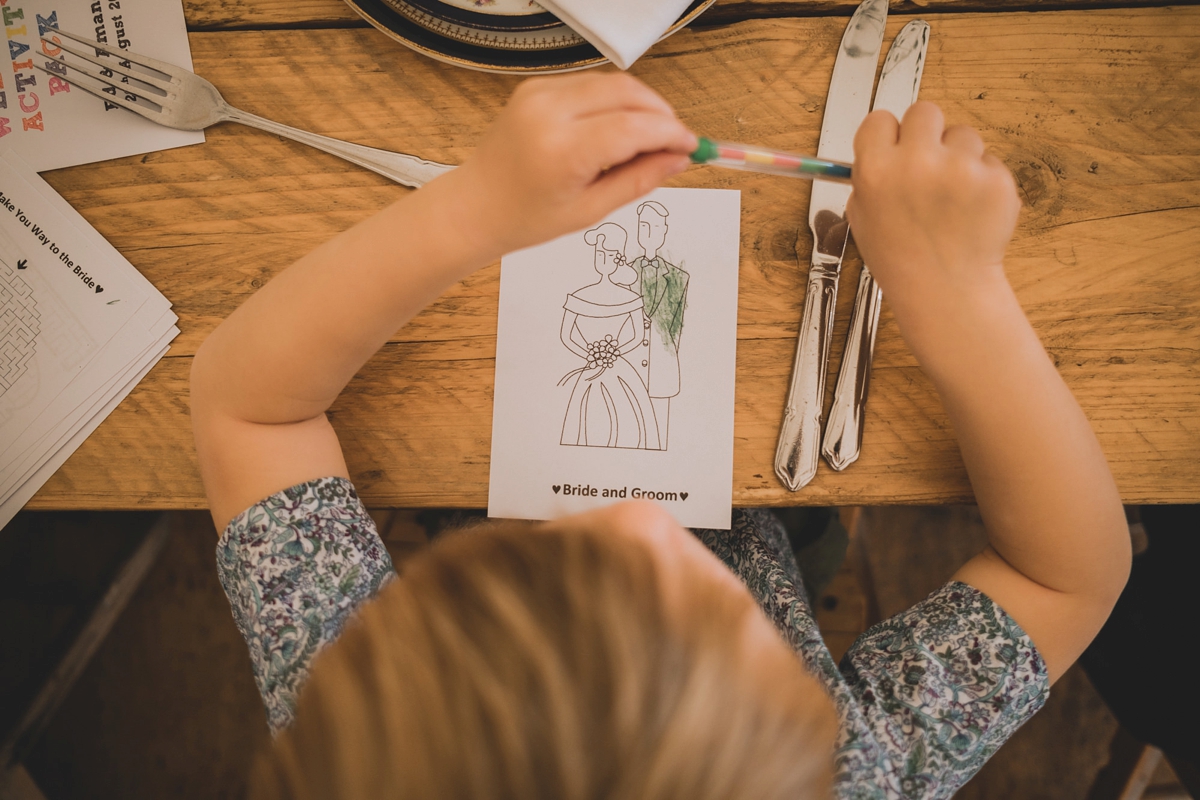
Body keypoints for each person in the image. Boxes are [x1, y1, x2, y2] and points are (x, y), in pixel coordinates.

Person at [190, 73, 1130, 799]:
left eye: (560, 582)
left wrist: (473, 208)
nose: (641, 519)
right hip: (776, 521)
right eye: (717, 616)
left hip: (465, 469)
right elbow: (1069, 575)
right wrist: (959, 295)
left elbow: (246, 408)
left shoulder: (385, 738)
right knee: (813, 539)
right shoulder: (847, 780)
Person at [558, 222, 659, 449]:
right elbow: (566, 335)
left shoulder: (630, 298)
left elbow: (636, 335)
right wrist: (591, 355)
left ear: (619, 258)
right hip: (591, 368)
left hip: (620, 370)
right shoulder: (578, 296)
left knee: (629, 418)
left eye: (609, 254)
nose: (603, 258)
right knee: (585, 418)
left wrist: (613, 353)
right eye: (599, 253)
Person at [623, 200, 688, 450]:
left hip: (662, 366)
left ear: (663, 231)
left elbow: (676, 326)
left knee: (659, 434)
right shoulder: (623, 274)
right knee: (629, 428)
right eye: (644, 226)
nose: (649, 232)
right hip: (627, 364)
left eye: (655, 227)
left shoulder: (678, 277)